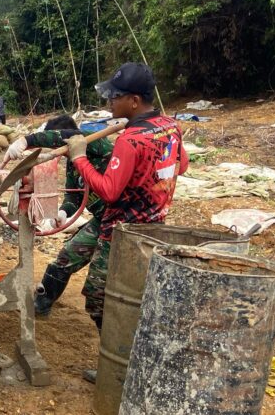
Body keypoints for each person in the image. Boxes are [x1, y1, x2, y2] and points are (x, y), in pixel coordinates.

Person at [64, 62, 188, 365]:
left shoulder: (131, 141)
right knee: (134, 294)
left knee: (97, 298)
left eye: (115, 96)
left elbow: (108, 191)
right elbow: (181, 166)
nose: (110, 102)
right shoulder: (169, 126)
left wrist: (80, 158)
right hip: (155, 226)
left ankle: (119, 364)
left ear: (134, 100)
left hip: (122, 232)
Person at [3, 115, 114, 317]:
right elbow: (74, 195)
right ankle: (42, 303)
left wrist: (25, 141)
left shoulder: (95, 142)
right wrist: (64, 212)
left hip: (121, 221)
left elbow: (62, 137)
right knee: (65, 258)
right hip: (101, 221)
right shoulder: (74, 161)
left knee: (103, 283)